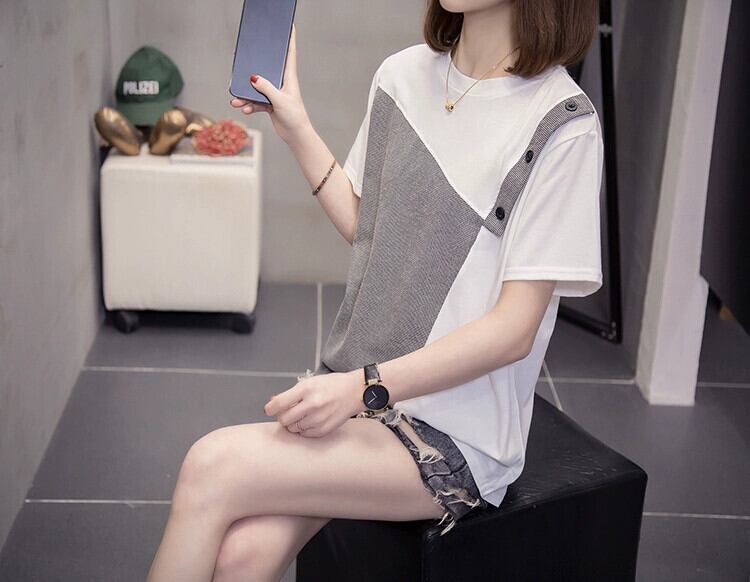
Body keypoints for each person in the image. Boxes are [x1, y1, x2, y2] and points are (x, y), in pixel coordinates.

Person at [146, 0, 602, 579]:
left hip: (453, 434)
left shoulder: (562, 123)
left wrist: (361, 389)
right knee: (242, 556)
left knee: (210, 466)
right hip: (366, 393)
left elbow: (515, 330)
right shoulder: (402, 75)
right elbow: (369, 227)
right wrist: (296, 125)